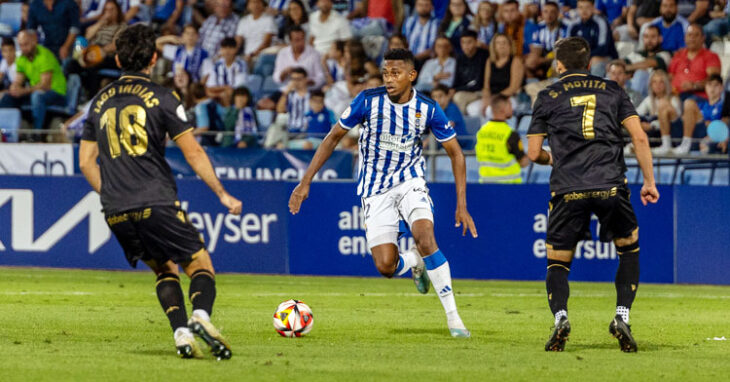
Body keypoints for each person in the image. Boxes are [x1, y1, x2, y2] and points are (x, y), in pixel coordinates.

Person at [78, 24, 241, 359]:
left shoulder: (98, 103)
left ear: (119, 58)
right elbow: (193, 152)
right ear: (153, 58)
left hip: (116, 209)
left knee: (165, 269)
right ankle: (200, 317)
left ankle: (181, 334)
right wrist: (222, 194)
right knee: (199, 265)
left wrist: (110, 193)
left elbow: (85, 162)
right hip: (156, 200)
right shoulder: (164, 98)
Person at [289, 49, 478, 338]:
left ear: (412, 75)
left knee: (426, 237)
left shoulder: (427, 108)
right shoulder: (367, 101)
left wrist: (461, 205)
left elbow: (456, 153)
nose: (389, 79)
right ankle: (414, 262)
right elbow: (333, 137)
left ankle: (455, 320)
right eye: (386, 73)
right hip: (375, 190)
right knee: (386, 266)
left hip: (410, 182)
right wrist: (306, 181)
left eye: (396, 73)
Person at [527, 36, 659, 352]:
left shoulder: (547, 96)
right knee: (628, 248)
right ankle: (621, 315)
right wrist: (649, 182)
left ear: (558, 65)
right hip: (611, 183)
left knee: (557, 261)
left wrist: (552, 157)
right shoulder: (613, 90)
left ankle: (561, 317)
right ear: (589, 64)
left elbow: (533, 153)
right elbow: (639, 138)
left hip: (568, 188)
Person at [0, 30, 67, 134]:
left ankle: (36, 133)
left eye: (26, 44)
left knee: (37, 96)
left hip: (56, 93)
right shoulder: (22, 58)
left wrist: (23, 91)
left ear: (34, 41)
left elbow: (45, 85)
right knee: (8, 97)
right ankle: (6, 133)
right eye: (21, 45)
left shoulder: (44, 55)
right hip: (35, 92)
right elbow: (18, 79)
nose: (23, 48)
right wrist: (14, 88)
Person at [658, 73, 730, 154]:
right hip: (689, 132)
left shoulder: (724, 105)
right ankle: (666, 144)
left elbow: (725, 123)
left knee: (689, 103)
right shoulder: (701, 104)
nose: (712, 88)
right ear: (705, 87)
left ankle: (686, 144)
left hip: (705, 136)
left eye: (716, 85)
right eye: (709, 85)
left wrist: (715, 132)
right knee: (663, 104)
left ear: (721, 88)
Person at [468, 33, 524, 118]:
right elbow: (486, 86)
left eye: (504, 43)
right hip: (492, 96)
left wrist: (495, 99)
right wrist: (486, 99)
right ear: (494, 46)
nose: (501, 45)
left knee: (489, 110)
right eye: (498, 43)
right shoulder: (490, 61)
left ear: (510, 45)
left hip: (508, 97)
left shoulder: (516, 61)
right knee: (472, 109)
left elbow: (513, 87)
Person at [476, 94, 528, 183]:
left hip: (485, 184)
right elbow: (523, 162)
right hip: (508, 186)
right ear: (503, 109)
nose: (512, 109)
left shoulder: (481, 131)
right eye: (510, 106)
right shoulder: (509, 133)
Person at [567, 0, 619, 77]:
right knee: (561, 62)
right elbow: (567, 47)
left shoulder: (601, 22)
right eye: (581, 7)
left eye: (587, 7)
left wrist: (583, 57)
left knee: (595, 60)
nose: (584, 11)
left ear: (593, 8)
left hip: (606, 58)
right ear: (577, 9)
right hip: (582, 58)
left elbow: (603, 49)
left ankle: (594, 88)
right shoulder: (573, 25)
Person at [624, 24, 672, 98]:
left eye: (653, 37)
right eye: (646, 37)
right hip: (631, 88)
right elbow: (621, 63)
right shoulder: (637, 54)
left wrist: (629, 68)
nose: (649, 40)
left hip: (652, 92)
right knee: (615, 73)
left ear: (660, 39)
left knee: (641, 73)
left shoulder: (665, 54)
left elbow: (650, 63)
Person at [525, 1, 569, 80]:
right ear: (542, 13)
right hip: (543, 57)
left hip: (558, 58)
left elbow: (563, 54)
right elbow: (535, 51)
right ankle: (533, 85)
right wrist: (537, 60)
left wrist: (543, 60)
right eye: (546, 12)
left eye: (552, 12)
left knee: (557, 63)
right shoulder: (538, 28)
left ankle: (555, 86)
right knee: (530, 61)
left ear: (558, 13)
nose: (549, 15)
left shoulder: (565, 28)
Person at [452, 30, 489, 113]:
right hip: (465, 90)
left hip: (480, 91)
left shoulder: (484, 56)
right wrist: (452, 90)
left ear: (476, 42)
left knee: (458, 97)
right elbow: (456, 80)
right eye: (463, 43)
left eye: (469, 42)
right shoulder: (460, 58)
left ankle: (459, 124)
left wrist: (457, 90)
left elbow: (478, 83)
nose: (466, 46)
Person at [205, 37, 247, 106]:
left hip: (237, 95)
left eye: (230, 48)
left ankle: (228, 114)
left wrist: (222, 90)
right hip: (219, 94)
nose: (227, 51)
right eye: (224, 48)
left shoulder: (241, 65)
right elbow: (210, 87)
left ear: (236, 49)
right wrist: (224, 89)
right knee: (207, 92)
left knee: (228, 93)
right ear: (221, 50)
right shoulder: (217, 65)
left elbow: (237, 88)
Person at [402, 0, 440, 64]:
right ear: (416, 6)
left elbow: (435, 48)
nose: (423, 8)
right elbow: (402, 41)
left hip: (427, 61)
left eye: (426, 5)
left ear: (432, 7)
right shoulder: (409, 21)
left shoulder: (437, 24)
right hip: (407, 59)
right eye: (420, 5)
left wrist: (414, 58)